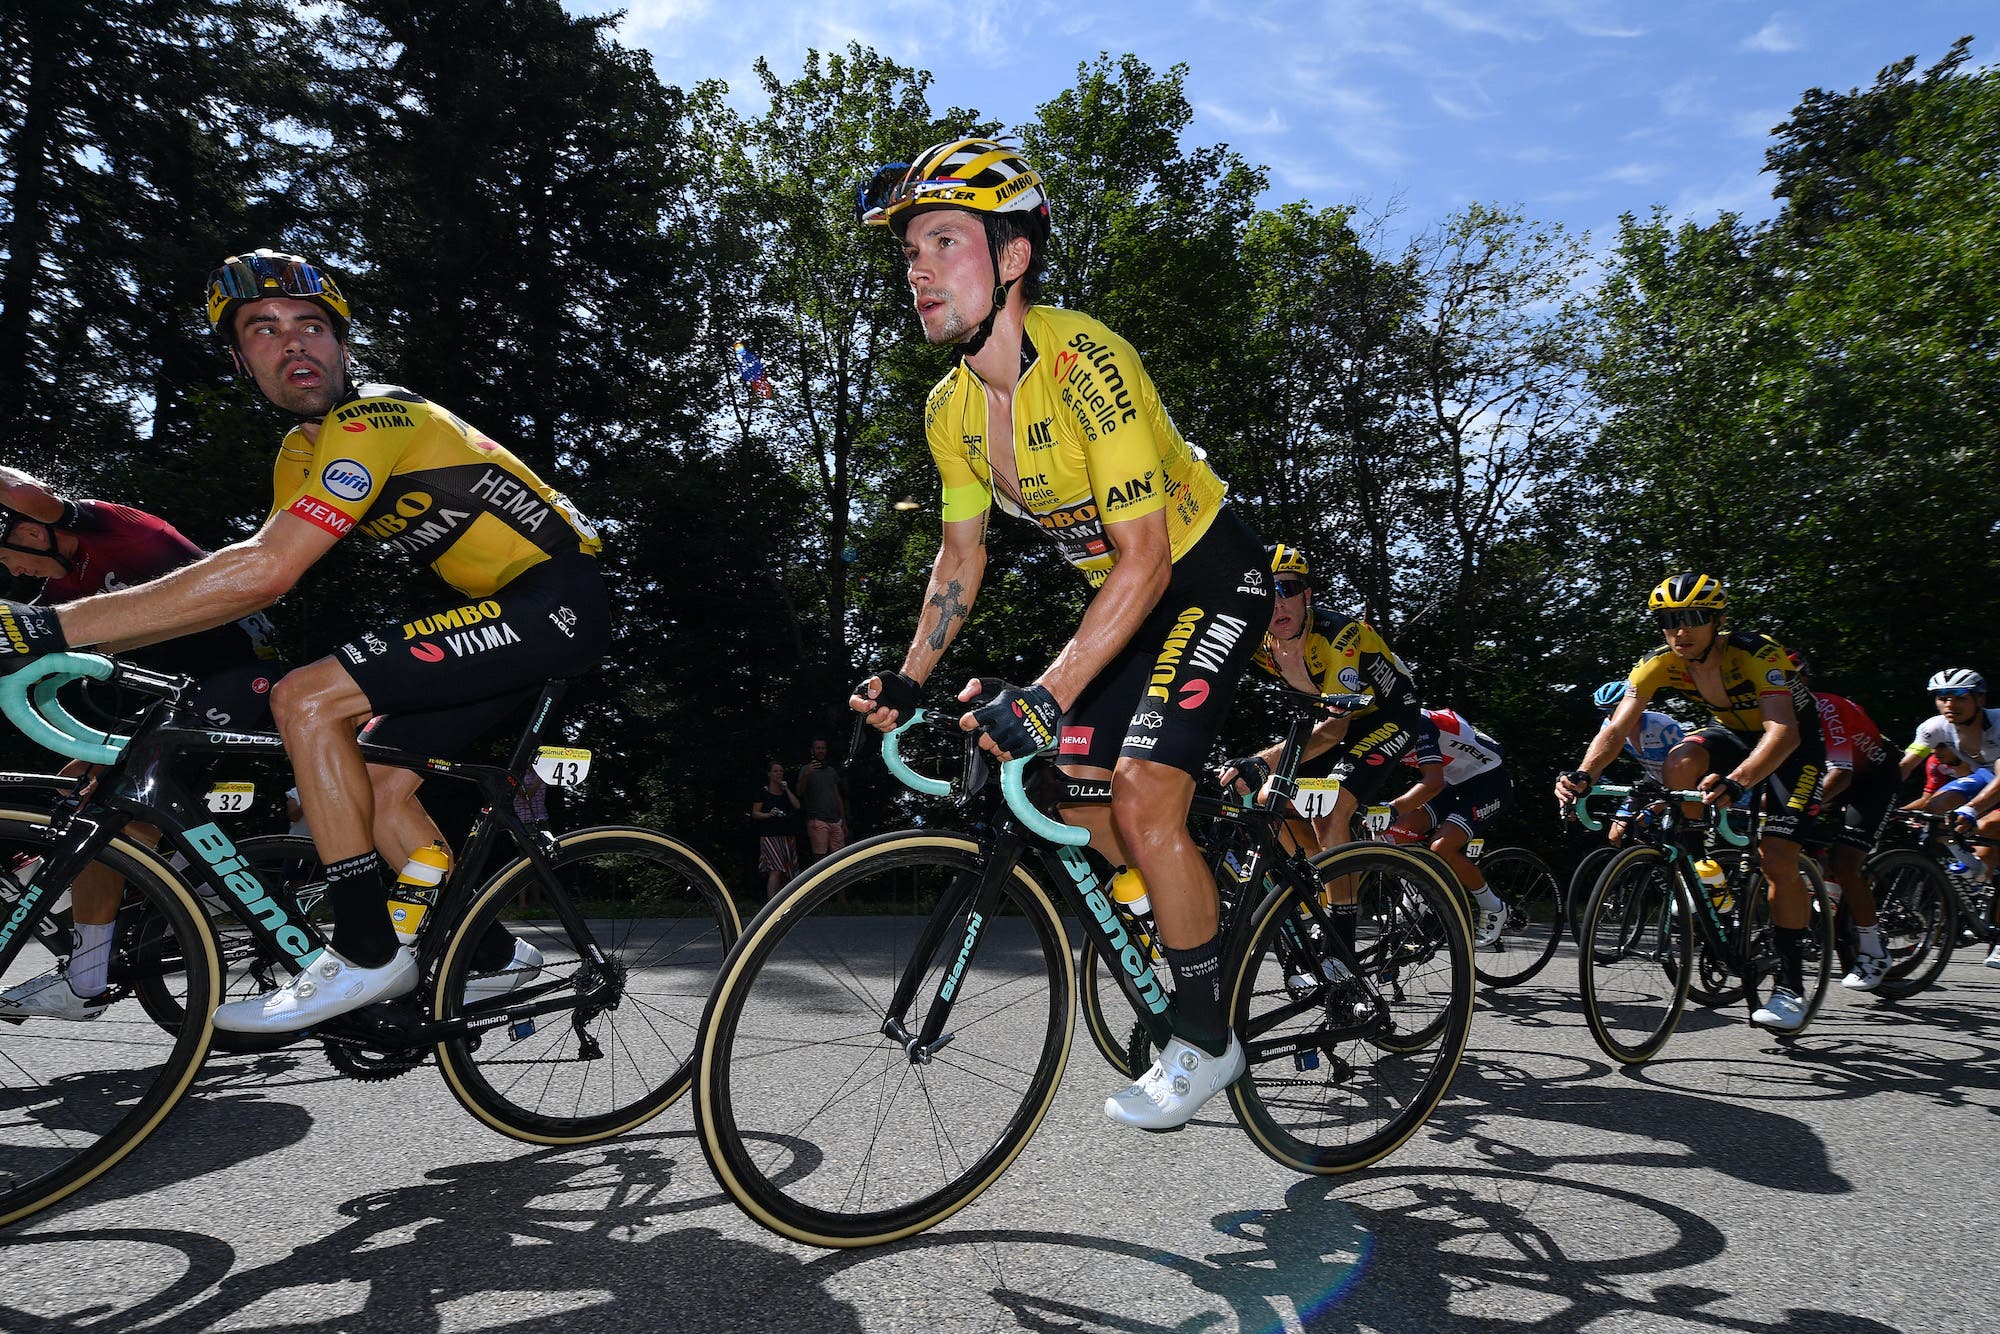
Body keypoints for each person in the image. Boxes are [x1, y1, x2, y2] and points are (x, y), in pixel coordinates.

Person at [0, 248, 610, 1032]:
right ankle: (493, 958)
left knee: (307, 696)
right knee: (375, 783)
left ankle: (364, 953)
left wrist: (41, 628)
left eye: (311, 325)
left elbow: (265, 573)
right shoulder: (302, 452)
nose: (293, 343)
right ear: (240, 360)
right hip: (506, 612)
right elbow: (232, 585)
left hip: (554, 599)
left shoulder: (379, 417)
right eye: (263, 329)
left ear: (344, 346)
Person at [849, 138, 1271, 1131]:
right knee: (1055, 786)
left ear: (1010, 258)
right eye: (908, 250)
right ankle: (1180, 892)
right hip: (1126, 606)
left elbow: (1146, 561)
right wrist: (909, 680)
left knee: (1138, 787)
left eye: (942, 240)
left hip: (1203, 576)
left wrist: (1045, 689)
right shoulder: (949, 409)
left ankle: (1205, 1035)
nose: (916, 269)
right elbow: (959, 560)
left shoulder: (1088, 362)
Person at [0, 469, 283, 1020]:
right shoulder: (62, 590)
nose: (9, 569)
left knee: (118, 816)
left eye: (5, 554)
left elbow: (21, 494)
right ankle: (140, 887)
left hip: (238, 673)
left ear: (32, 532)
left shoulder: (111, 528)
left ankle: (88, 977)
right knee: (72, 787)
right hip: (176, 692)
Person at [1555, 574, 1825, 1031]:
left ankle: (1791, 984)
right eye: (1669, 621)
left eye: (1694, 619)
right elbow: (1618, 729)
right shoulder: (1658, 663)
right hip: (1733, 735)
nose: (1681, 631)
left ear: (1718, 621)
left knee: (1777, 856)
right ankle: (1704, 870)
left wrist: (1738, 783)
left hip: (1792, 746)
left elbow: (1782, 731)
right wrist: (1585, 774)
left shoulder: (1758, 653)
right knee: (1680, 761)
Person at [1220, 544, 1432, 860]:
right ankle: (1315, 888)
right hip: (1333, 721)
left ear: (1306, 596)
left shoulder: (1338, 636)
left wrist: (1263, 761)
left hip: (1388, 716)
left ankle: (1344, 910)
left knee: (1329, 809)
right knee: (1268, 801)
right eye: (1266, 592)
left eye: (1287, 588)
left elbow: (1334, 730)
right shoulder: (1260, 644)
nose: (1277, 603)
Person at [1785, 653, 1899, 989]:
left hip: (1871, 780)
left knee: (1846, 862)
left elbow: (1840, 775)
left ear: (1805, 681)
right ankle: (1825, 896)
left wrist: (1802, 806)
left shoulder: (1828, 708)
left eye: (1792, 682)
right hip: (1822, 777)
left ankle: (1873, 949)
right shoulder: (1771, 714)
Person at [1377, 706, 1514, 936]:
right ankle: (1416, 903)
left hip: (1489, 784)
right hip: (1454, 783)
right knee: (1391, 832)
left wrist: (1392, 808)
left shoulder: (1418, 723)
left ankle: (1494, 907)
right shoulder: (1380, 729)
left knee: (1441, 847)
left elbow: (1433, 783)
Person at [1589, 678, 1686, 844]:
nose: (1613, 717)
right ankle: (1641, 859)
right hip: (1653, 779)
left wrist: (1656, 808)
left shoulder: (1661, 726)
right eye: (1606, 712)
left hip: (1681, 780)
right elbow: (1597, 764)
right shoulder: (1608, 726)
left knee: (1667, 836)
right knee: (1616, 834)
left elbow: (1685, 769)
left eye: (1616, 710)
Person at [750, 760, 802, 899]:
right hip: (770, 836)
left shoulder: (785, 792)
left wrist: (787, 790)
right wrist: (768, 814)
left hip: (787, 835)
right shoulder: (763, 792)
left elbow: (797, 806)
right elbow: (755, 813)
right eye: (775, 771)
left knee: (788, 870)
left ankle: (785, 903)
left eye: (781, 771)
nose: (779, 774)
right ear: (769, 774)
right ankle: (771, 904)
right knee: (776, 869)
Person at [797, 736, 849, 857]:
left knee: (839, 858)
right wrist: (805, 775)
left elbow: (837, 796)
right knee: (820, 858)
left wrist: (844, 821)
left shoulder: (831, 771)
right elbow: (799, 792)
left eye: (823, 748)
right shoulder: (806, 769)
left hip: (836, 821)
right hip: (818, 820)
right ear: (812, 750)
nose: (821, 750)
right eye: (818, 748)